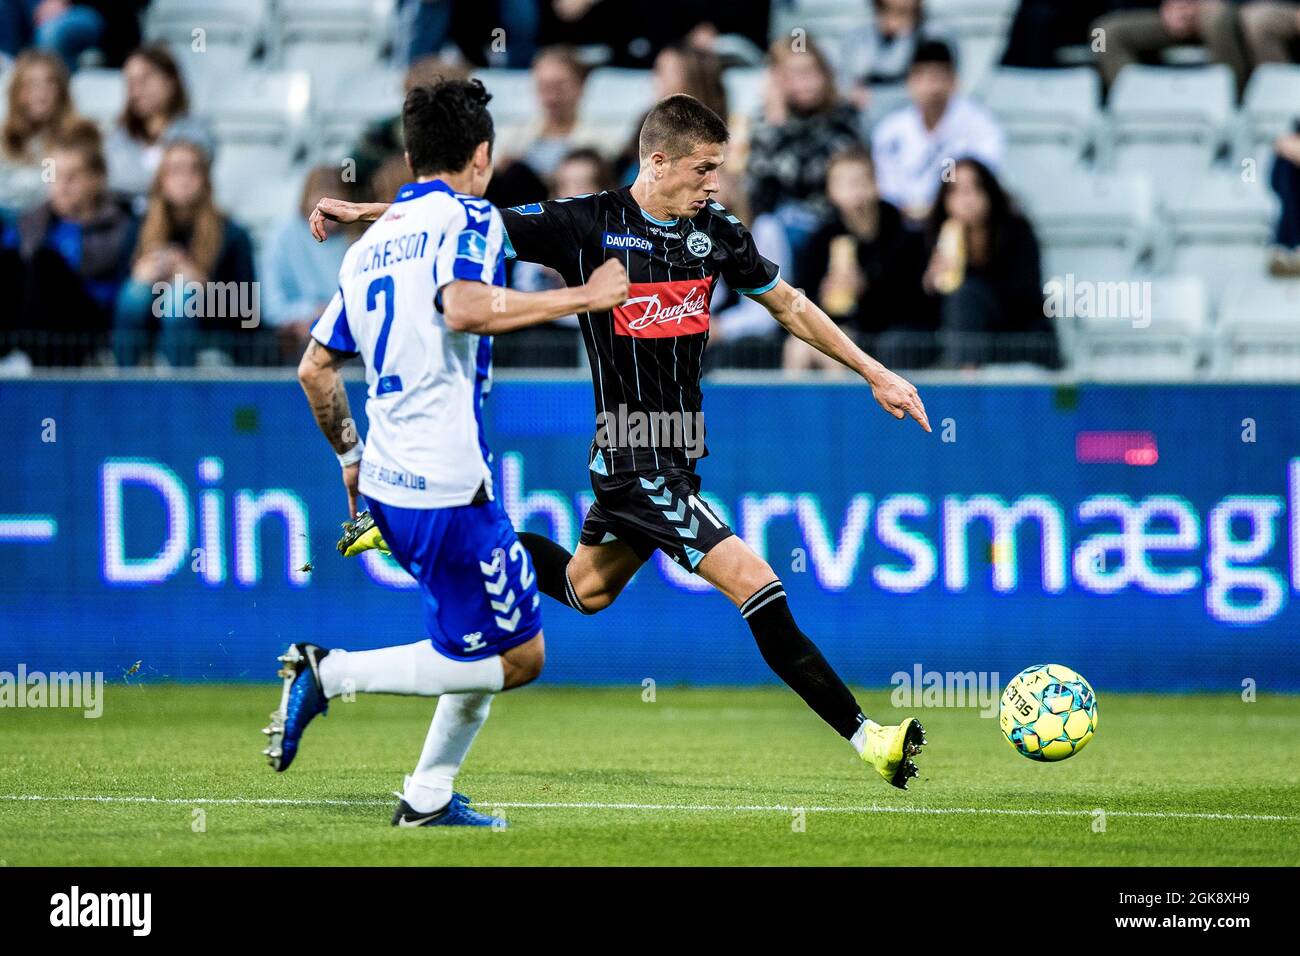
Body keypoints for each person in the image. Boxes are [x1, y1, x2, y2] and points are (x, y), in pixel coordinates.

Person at [313, 93, 933, 790]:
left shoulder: (717, 231)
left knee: (584, 590)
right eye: (703, 170)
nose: (713, 185)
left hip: (675, 456)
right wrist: (365, 214)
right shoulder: (585, 226)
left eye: (719, 171)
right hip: (635, 459)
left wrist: (877, 374)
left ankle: (403, 532)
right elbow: (463, 217)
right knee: (756, 582)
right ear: (658, 161)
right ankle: (869, 737)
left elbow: (788, 304)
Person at [274, 78, 629, 827]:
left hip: (390, 485)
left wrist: (349, 458)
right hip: (446, 485)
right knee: (518, 656)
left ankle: (428, 795)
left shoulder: (370, 247)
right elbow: (464, 305)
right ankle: (329, 672)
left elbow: (314, 367)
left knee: (479, 636)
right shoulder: (470, 219)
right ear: (483, 156)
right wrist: (582, 298)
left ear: (408, 157)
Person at [787, 146, 935, 372]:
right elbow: (797, 296)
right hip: (840, 328)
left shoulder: (905, 236)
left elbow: (917, 303)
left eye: (859, 182)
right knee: (798, 347)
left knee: (840, 349)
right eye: (843, 183)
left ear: (875, 185)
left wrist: (867, 288)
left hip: (891, 336)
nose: (853, 192)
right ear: (830, 190)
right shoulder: (821, 238)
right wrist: (821, 298)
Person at [111, 141, 255, 367]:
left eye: (193, 170)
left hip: (210, 337)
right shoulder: (138, 228)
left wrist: (202, 284)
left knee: (180, 297)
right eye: (175, 171)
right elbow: (113, 299)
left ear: (206, 180)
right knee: (134, 292)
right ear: (161, 180)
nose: (184, 179)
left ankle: (180, 389)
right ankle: (125, 384)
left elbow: (249, 310)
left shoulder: (232, 234)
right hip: (148, 337)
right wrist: (140, 275)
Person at [1, 123, 135, 366]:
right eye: (54, 176)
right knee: (8, 261)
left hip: (88, 327)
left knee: (44, 262)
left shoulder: (120, 225)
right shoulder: (32, 222)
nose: (61, 186)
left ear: (97, 179)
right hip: (32, 324)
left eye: (72, 177)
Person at [921, 157, 1058, 368]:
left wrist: (965, 271)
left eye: (975, 189)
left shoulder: (1017, 230)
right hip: (960, 341)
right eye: (956, 191)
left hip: (1017, 337)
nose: (967, 200)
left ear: (990, 193)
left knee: (966, 296)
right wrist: (932, 283)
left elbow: (1025, 294)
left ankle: (967, 377)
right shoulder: (933, 237)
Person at [747, 36, 863, 252]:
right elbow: (760, 193)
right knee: (765, 227)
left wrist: (780, 128)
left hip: (831, 223)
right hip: (780, 229)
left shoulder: (842, 116)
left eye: (812, 71)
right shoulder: (767, 121)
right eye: (796, 74)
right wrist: (777, 124)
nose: (807, 82)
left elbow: (812, 176)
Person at [871, 39, 1004, 222]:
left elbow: (982, 181)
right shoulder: (890, 130)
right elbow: (887, 186)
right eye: (922, 77)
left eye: (938, 77)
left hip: (959, 218)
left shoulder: (980, 127)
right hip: (902, 223)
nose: (931, 88)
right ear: (909, 82)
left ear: (954, 81)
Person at [261, 165, 363, 363]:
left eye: (337, 208)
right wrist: (310, 313)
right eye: (322, 208)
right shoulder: (282, 236)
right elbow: (272, 307)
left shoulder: (358, 238)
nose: (329, 216)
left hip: (352, 336)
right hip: (296, 342)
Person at [102, 43, 213, 205]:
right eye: (131, 82)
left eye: (146, 78)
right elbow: (112, 178)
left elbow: (186, 184)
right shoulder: (118, 136)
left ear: (170, 81)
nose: (137, 89)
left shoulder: (196, 133)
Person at [493, 46, 603, 181]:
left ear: (581, 86)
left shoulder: (599, 142)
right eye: (544, 87)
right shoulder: (514, 137)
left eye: (559, 87)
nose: (551, 97)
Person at [1090, 1, 1250, 93]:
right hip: (1165, 15)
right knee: (1101, 32)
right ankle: (1134, 104)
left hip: (1224, 10)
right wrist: (1168, 6)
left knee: (1217, 20)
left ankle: (1228, 104)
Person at [0, 49, 86, 215]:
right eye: (31, 85)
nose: (41, 94)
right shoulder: (6, 137)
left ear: (61, 91)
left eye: (50, 83)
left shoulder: (76, 137)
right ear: (16, 92)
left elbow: (54, 190)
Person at [1269, 122, 1300, 275]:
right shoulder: (1286, 147)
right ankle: (1286, 247)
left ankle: (1284, 247)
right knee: (1291, 208)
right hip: (1288, 190)